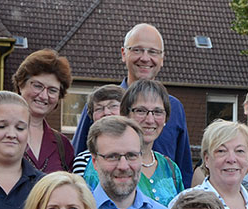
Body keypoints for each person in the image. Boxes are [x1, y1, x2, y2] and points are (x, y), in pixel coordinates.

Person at [72, 24, 193, 186]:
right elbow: (78, 158)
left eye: (153, 52)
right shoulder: (101, 106)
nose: (145, 58)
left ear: (162, 59)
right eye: (137, 50)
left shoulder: (174, 108)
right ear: (124, 54)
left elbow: (183, 170)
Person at [0, 49, 75, 173]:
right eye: (37, 86)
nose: (44, 96)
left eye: (52, 90)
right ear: (21, 84)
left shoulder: (63, 145)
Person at [83, 80, 184, 206]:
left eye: (157, 112)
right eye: (141, 111)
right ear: (125, 114)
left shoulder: (171, 169)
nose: (150, 120)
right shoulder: (102, 164)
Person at [72, 84, 124, 175]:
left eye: (113, 106)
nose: (106, 113)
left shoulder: (141, 156)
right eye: (99, 109)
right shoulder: (84, 160)